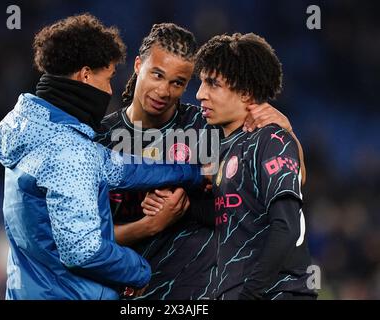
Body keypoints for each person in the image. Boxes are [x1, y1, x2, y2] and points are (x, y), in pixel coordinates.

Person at [0, 14, 203, 300]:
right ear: (86, 75)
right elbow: (83, 250)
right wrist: (139, 270)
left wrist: (190, 173)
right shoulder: (69, 151)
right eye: (109, 77)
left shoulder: (35, 131)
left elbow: (120, 168)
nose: (110, 90)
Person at [95, 23, 304, 299]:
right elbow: (84, 240)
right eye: (157, 75)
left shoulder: (206, 125)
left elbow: (293, 177)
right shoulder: (100, 139)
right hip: (133, 292)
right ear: (137, 66)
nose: (163, 91)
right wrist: (149, 225)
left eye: (177, 83)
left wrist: (286, 129)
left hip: (201, 292)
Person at [193, 32, 317, 299]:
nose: (200, 93)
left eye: (213, 84)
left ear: (246, 92)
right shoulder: (220, 148)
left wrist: (251, 295)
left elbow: (286, 227)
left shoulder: (271, 139)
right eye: (202, 82)